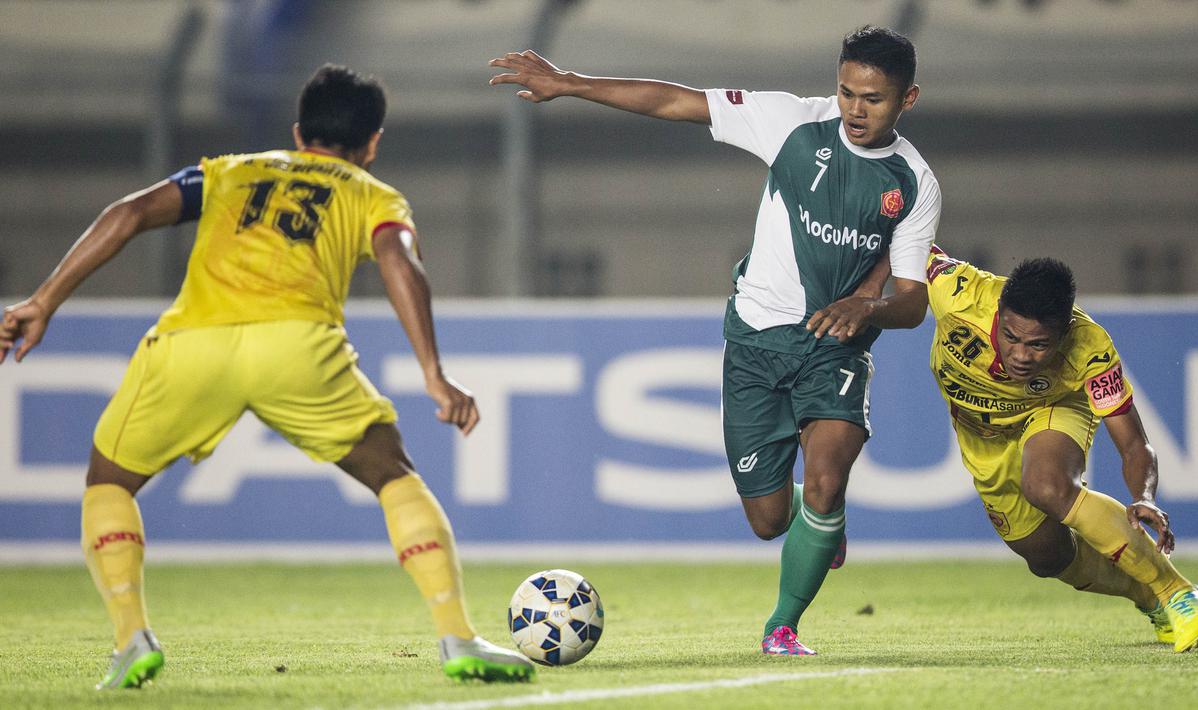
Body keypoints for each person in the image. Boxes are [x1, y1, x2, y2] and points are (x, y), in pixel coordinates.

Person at [0, 64, 534, 688]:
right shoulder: (373, 194)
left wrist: (43, 300)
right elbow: (400, 260)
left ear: (299, 129)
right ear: (373, 142)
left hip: (193, 343)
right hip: (299, 347)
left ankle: (130, 639)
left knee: (109, 481)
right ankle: (456, 636)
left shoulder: (231, 170)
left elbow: (129, 213)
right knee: (392, 472)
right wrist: (434, 373)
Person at [490, 26, 941, 655]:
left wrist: (868, 309)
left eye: (874, 98)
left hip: (834, 346)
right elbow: (676, 101)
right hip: (754, 341)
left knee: (824, 481)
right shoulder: (790, 124)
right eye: (846, 92)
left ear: (907, 100)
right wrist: (569, 84)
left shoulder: (913, 182)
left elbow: (915, 303)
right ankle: (823, 519)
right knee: (768, 521)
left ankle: (782, 625)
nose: (856, 110)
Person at [917, 244, 1198, 652]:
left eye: (1039, 345)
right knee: (1047, 557)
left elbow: (1132, 441)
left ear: (1064, 332)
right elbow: (898, 239)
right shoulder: (956, 292)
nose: (1021, 355)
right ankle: (1150, 598)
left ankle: (1178, 592)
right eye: (1011, 337)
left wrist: (1143, 496)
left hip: (1051, 406)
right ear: (1000, 312)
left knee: (1048, 485)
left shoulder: (1090, 348)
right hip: (983, 438)